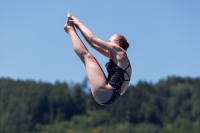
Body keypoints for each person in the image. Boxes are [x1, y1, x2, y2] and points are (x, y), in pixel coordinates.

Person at [64, 12, 132, 105]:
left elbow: (92, 38)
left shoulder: (120, 52)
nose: (107, 44)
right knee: (88, 57)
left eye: (109, 42)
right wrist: (77, 26)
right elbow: (92, 44)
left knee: (88, 57)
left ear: (118, 44)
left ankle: (70, 30)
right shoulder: (115, 57)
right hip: (108, 96)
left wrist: (78, 22)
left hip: (106, 92)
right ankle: (70, 29)